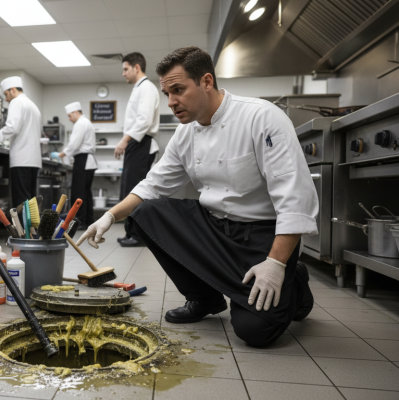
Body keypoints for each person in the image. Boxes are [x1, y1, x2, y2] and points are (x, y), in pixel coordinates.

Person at [77, 47, 318, 347]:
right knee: (146, 214)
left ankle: (295, 281)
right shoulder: (185, 133)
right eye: (167, 93)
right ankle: (204, 299)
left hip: (263, 237)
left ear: (206, 81)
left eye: (178, 90)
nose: (171, 102)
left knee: (254, 330)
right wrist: (110, 215)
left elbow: (295, 197)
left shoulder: (261, 117)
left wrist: (277, 264)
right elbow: (152, 185)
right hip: (216, 227)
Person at [116, 52, 160, 247]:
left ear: (136, 67)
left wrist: (124, 140)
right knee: (129, 190)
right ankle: (131, 232)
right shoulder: (139, 88)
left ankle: (138, 235)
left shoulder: (147, 88)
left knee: (136, 191)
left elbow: (144, 120)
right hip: (136, 143)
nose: (123, 73)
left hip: (140, 143)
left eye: (126, 69)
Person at [0, 76, 42, 208]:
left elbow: (12, 127)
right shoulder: (33, 105)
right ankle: (32, 223)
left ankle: (21, 223)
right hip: (33, 160)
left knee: (21, 201)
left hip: (22, 159)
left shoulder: (17, 102)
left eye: (6, 94)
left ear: (13, 90)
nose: (6, 99)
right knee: (31, 201)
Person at [59, 102, 97, 228]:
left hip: (83, 160)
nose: (69, 119)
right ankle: (88, 220)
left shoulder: (80, 123)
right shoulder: (86, 122)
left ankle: (80, 221)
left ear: (76, 113)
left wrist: (62, 154)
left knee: (79, 192)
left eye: (70, 116)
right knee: (86, 192)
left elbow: (75, 143)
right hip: (87, 160)